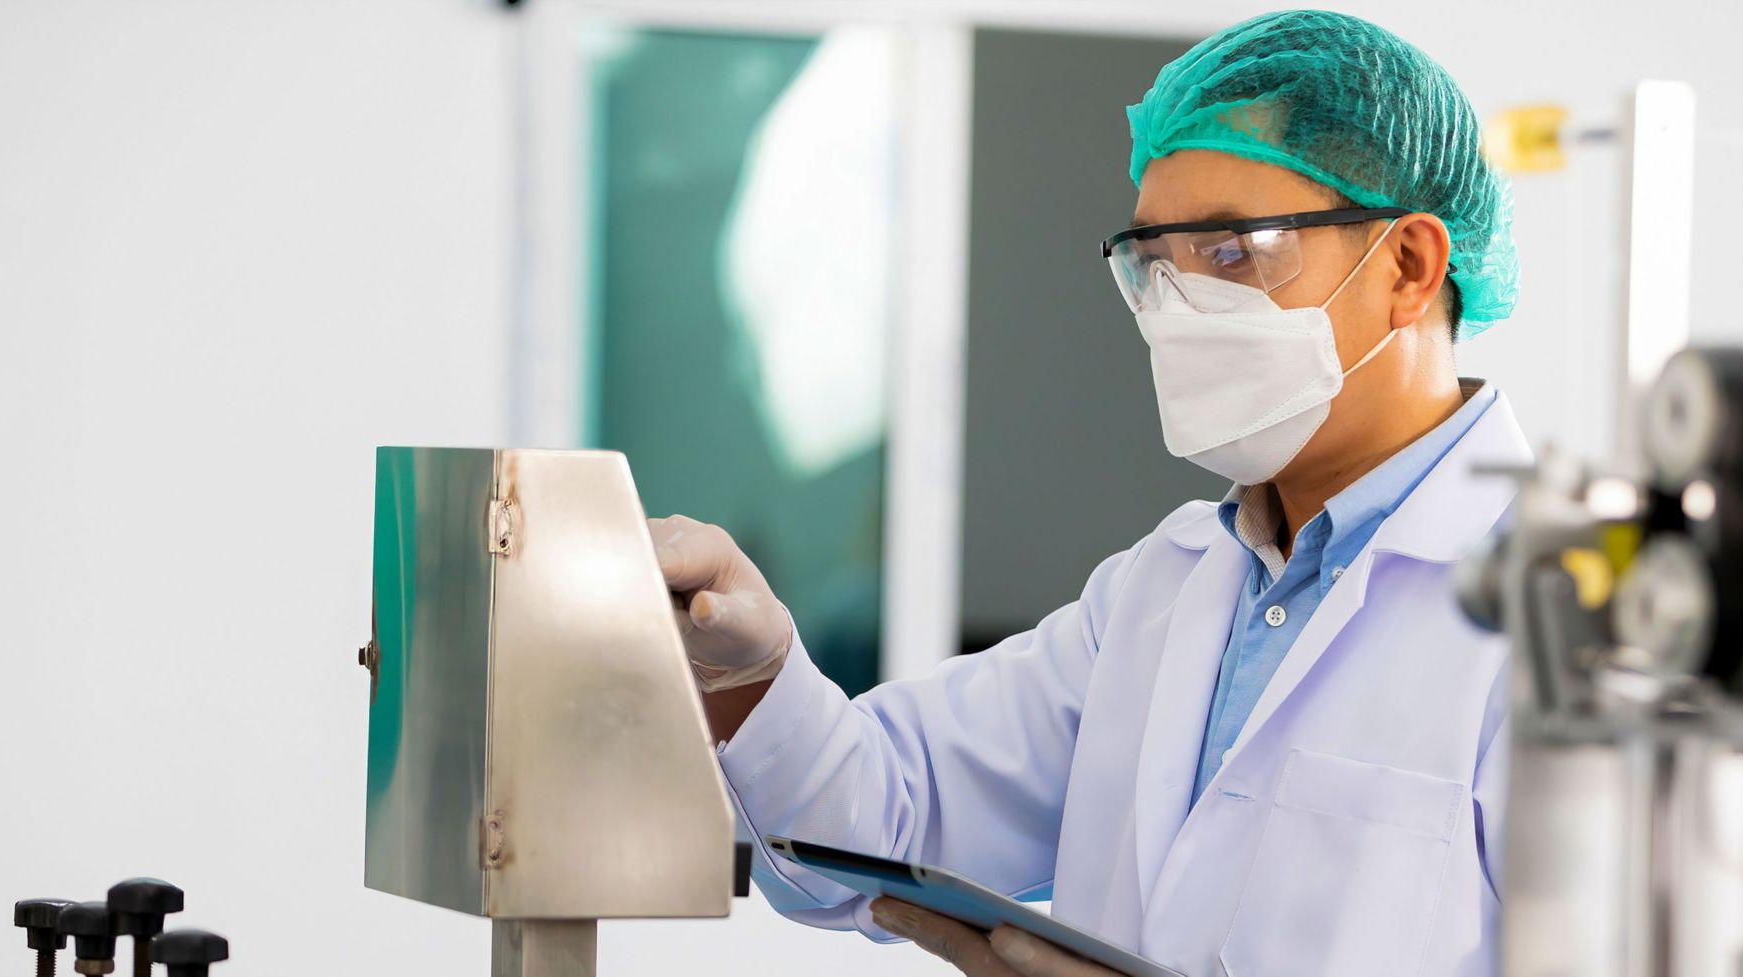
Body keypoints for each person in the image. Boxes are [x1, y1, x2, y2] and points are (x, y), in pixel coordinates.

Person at [650, 10, 1525, 976]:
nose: (1181, 307)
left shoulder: (1564, 619)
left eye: (1234, 251)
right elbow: (881, 820)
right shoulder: (1160, 592)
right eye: (1156, 262)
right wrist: (753, 671)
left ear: (1408, 266)